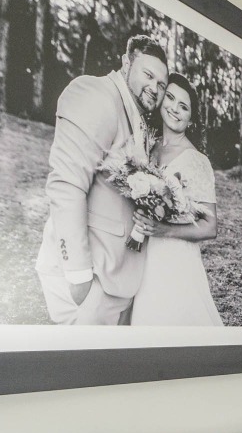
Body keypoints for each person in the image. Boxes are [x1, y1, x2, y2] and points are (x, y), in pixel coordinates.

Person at [35, 34, 168, 325]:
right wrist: (78, 276)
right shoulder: (96, 94)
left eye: (161, 84)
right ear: (126, 63)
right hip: (91, 282)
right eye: (148, 75)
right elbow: (67, 184)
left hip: (117, 280)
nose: (154, 88)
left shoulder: (136, 115)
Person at [130, 73, 223, 326]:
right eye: (170, 98)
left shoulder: (196, 161)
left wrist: (165, 229)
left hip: (176, 260)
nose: (174, 108)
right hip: (144, 257)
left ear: (191, 118)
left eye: (183, 106)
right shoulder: (149, 147)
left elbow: (210, 227)